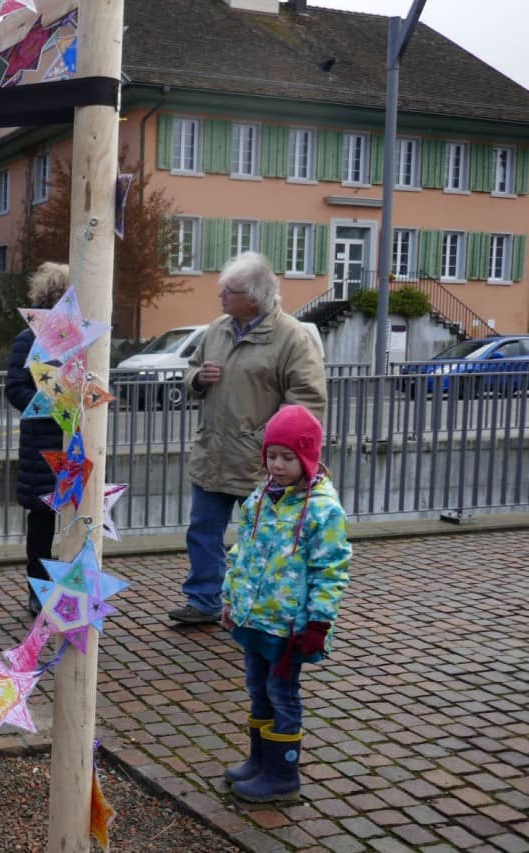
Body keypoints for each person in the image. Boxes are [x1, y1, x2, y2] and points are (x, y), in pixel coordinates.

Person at [170, 251, 326, 625]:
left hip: (261, 461)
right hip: (213, 453)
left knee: (264, 540)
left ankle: (260, 605)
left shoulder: (292, 337)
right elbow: (191, 372)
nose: (221, 295)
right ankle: (204, 601)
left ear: (254, 297)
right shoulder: (217, 330)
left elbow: (306, 399)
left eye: (230, 291)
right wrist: (197, 379)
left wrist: (272, 445)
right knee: (203, 531)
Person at [220, 404, 351, 802]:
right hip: (255, 618)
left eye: (287, 457)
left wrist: (319, 623)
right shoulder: (261, 496)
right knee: (256, 688)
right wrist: (231, 598)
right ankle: (260, 760)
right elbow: (243, 552)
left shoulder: (323, 509)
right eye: (271, 456)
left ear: (307, 457)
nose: (276, 465)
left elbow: (331, 568)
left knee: (282, 693)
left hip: (289, 626)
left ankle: (282, 776)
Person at [4, 261, 70, 616]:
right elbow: (14, 389)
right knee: (43, 522)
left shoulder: (85, 338)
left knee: (79, 517)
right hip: (43, 446)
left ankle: (72, 588)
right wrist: (53, 402)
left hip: (75, 444)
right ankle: (39, 588)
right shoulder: (28, 340)